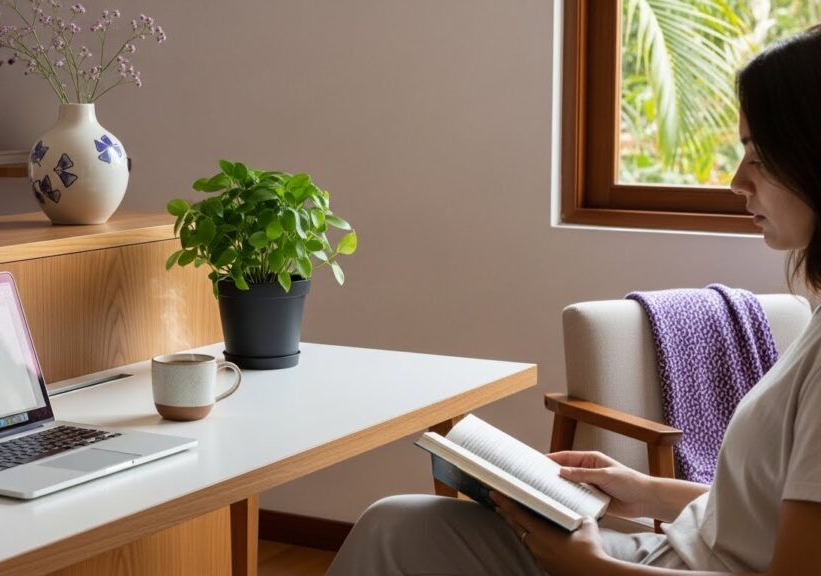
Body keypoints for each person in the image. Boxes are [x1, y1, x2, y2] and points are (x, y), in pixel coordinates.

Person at [327, 25, 821, 576]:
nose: (736, 182)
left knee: (398, 537)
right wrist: (644, 491)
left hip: (665, 567)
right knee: (397, 525)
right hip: (675, 550)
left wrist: (587, 566)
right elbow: (764, 519)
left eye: (756, 154)